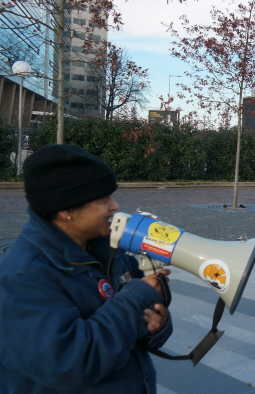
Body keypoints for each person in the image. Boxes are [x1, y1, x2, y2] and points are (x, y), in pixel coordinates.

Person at [0, 144, 172, 393]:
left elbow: (141, 319)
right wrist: (135, 301)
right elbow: (69, 364)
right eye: (103, 198)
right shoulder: (21, 278)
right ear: (66, 209)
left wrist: (158, 325)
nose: (114, 206)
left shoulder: (111, 249)